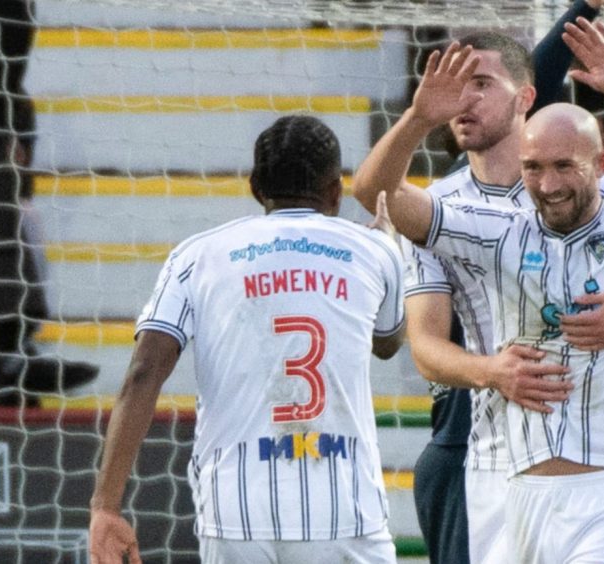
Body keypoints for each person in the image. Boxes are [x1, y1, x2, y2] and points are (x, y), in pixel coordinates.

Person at [355, 17, 604, 561]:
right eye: (535, 169)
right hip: (503, 466)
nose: (549, 182)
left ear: (600, 163)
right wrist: (420, 116)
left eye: (564, 166)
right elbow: (374, 193)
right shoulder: (486, 227)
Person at [88, 115, 406, 564]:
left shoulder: (198, 255)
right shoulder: (374, 251)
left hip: (235, 510)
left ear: (256, 187)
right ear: (336, 189)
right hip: (343, 508)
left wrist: (105, 506)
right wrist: (390, 246)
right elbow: (388, 342)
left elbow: (143, 373)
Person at [0, 0, 97, 406]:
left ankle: (7, 355)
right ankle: (4, 359)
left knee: (15, 216)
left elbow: (1, 69)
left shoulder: (10, 16)